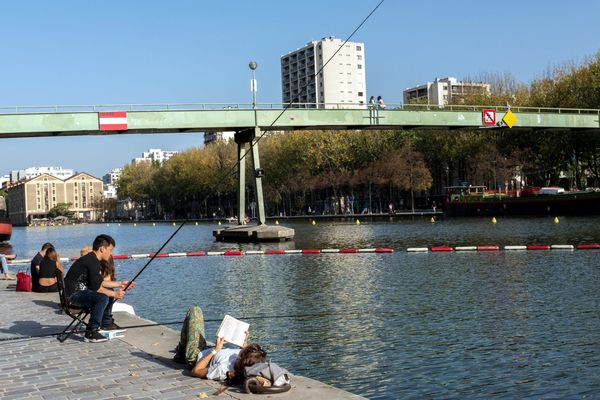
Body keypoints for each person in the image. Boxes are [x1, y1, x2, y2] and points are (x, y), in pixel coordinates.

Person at [64, 234, 135, 342]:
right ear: (102, 249)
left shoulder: (92, 259)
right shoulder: (92, 261)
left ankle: (105, 323)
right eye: (110, 250)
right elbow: (97, 288)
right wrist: (115, 294)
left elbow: (99, 283)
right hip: (73, 296)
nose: (111, 253)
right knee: (102, 297)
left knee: (107, 292)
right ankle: (91, 331)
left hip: (80, 292)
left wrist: (121, 284)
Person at [173, 305, 266, 384]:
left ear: (243, 358)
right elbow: (248, 356)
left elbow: (195, 371)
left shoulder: (223, 369)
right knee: (193, 325)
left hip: (197, 356)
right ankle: (181, 351)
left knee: (195, 311)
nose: (244, 349)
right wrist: (244, 342)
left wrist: (215, 350)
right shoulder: (247, 361)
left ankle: (182, 352)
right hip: (210, 349)